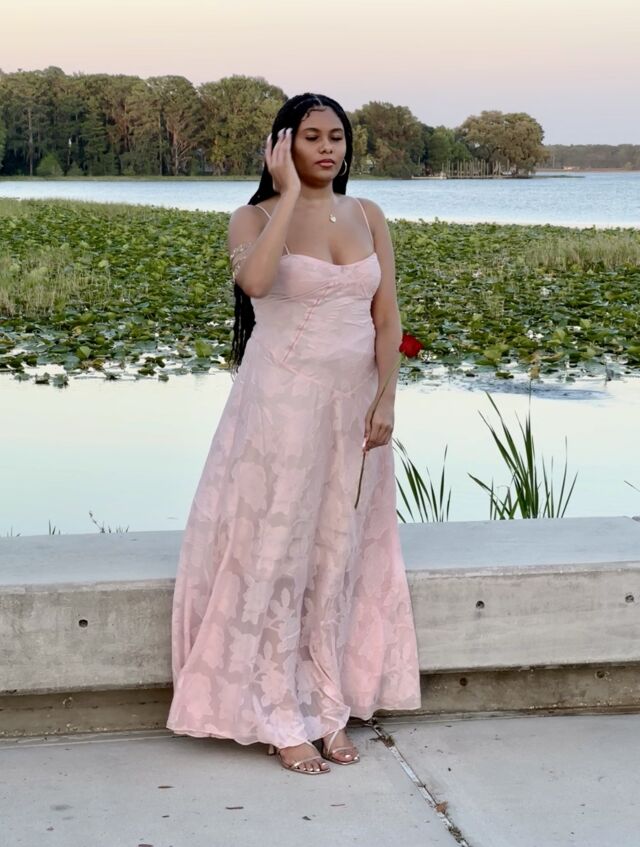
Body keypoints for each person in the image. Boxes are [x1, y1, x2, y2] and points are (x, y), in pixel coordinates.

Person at [166, 92, 422, 775]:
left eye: (336, 136)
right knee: (276, 552)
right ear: (282, 145)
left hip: (354, 409)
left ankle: (328, 702)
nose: (327, 148)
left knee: (338, 551)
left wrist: (387, 399)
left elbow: (388, 318)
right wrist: (283, 196)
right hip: (280, 405)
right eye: (311, 136)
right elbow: (254, 282)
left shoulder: (369, 214)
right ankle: (279, 711)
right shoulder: (251, 216)